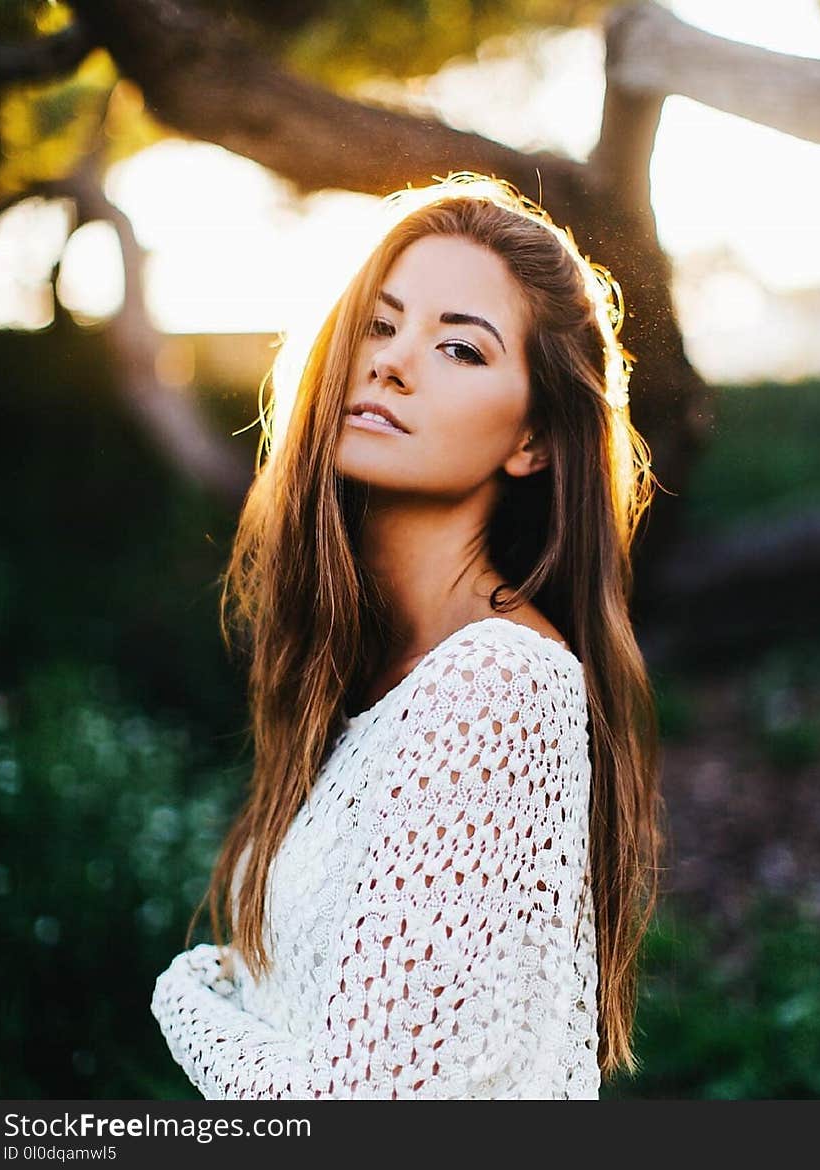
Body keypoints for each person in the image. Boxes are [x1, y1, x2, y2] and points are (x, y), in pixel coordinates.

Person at [150, 171, 663, 1100]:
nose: (391, 363)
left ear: (534, 441)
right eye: (379, 327)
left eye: (460, 349)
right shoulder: (388, 677)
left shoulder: (497, 688)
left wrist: (192, 1002)